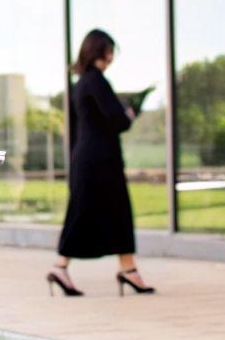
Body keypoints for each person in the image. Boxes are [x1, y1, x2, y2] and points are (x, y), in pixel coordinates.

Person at [50, 29, 155, 296]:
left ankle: (123, 269)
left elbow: (77, 127)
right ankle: (121, 269)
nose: (111, 57)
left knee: (91, 212)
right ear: (100, 51)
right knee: (107, 211)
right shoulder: (96, 81)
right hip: (100, 161)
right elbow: (118, 119)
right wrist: (129, 112)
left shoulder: (80, 84)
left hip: (87, 158)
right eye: (109, 51)